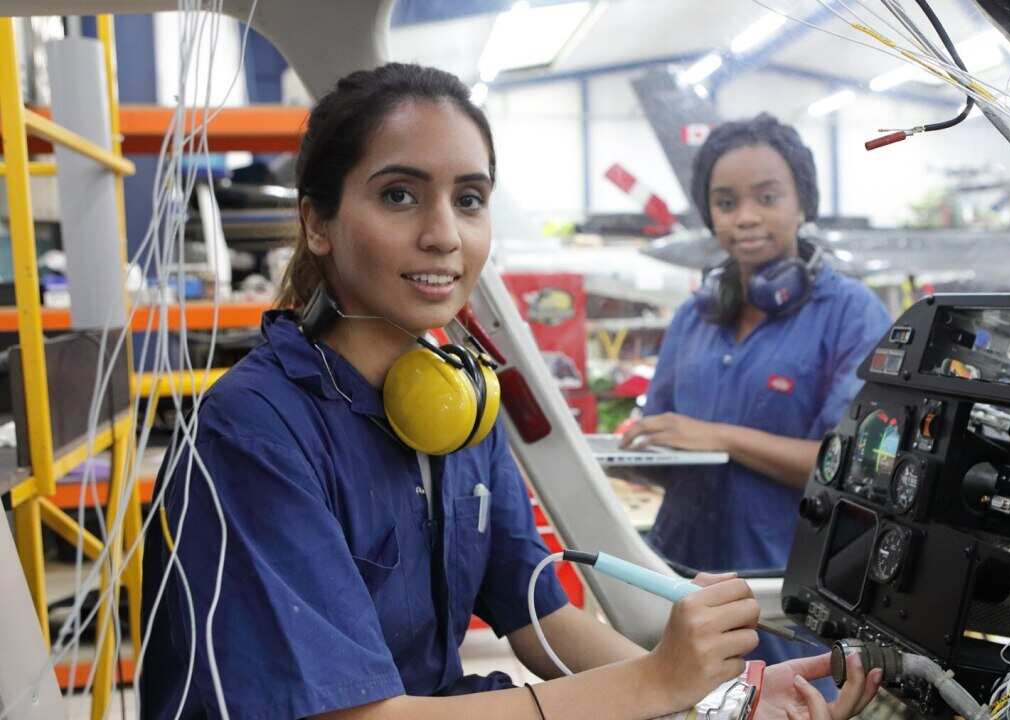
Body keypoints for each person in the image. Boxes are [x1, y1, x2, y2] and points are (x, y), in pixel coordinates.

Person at [138, 65, 880, 719]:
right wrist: (657, 682)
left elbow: (538, 615)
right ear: (318, 221)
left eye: (469, 199)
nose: (444, 235)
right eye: (399, 195)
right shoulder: (251, 434)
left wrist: (720, 697)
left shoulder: (460, 408)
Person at [621, 113, 893, 669]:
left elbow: (846, 469)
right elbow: (664, 439)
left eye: (767, 197)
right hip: (679, 580)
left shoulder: (850, 314)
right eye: (725, 203)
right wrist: (624, 453)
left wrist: (718, 436)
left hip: (777, 595)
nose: (745, 218)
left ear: (802, 203)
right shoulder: (693, 318)